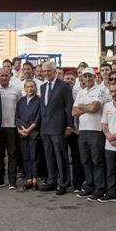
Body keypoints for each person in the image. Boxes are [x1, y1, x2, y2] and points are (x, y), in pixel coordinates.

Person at [72, 67, 107, 202]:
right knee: (85, 160)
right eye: (85, 76)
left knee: (97, 161)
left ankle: (100, 188)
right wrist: (87, 107)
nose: (87, 78)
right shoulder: (81, 92)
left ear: (94, 77)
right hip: (83, 131)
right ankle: (89, 186)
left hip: (96, 130)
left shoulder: (100, 90)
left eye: (90, 76)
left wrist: (82, 107)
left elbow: (95, 108)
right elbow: (73, 112)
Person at [38, 61, 73, 195]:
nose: (46, 73)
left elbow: (68, 106)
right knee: (49, 156)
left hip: (59, 127)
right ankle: (52, 180)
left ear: (54, 71)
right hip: (45, 127)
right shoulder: (42, 87)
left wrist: (69, 125)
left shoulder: (64, 86)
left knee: (61, 156)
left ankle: (64, 182)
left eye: (49, 71)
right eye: (44, 71)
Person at [0, 68, 22, 189]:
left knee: (12, 154)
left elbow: (20, 106)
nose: (4, 77)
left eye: (6, 75)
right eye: (2, 75)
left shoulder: (16, 90)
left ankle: (12, 180)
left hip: (12, 127)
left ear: (10, 76)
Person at [16, 79, 42, 190]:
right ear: (24, 88)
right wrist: (20, 130)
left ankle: (35, 178)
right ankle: (28, 178)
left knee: (34, 156)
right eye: (27, 87)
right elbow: (17, 117)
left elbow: (38, 118)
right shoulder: (21, 101)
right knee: (26, 156)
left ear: (35, 88)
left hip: (34, 133)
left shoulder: (39, 101)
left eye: (32, 86)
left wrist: (29, 130)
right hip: (22, 133)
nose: (30, 89)